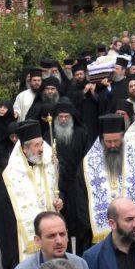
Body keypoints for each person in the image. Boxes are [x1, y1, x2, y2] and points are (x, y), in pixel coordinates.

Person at [0, 120, 63, 269]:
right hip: (23, 242)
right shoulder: (11, 176)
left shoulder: (49, 166)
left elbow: (58, 190)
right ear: (25, 149)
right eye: (36, 145)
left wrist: (60, 201)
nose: (41, 149)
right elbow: (6, 218)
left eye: (41, 144)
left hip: (51, 234)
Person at [81, 114, 135, 244]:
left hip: (132, 230)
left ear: (122, 138)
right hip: (101, 235)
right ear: (102, 139)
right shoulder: (89, 163)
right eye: (108, 142)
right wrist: (88, 224)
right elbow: (81, 196)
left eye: (116, 141)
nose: (113, 145)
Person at [45, 100, 89, 252]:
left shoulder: (82, 134)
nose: (63, 120)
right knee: (61, 224)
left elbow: (86, 160)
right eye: (61, 117)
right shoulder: (49, 135)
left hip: (79, 186)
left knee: (81, 223)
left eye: (66, 117)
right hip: (59, 188)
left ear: (72, 117)